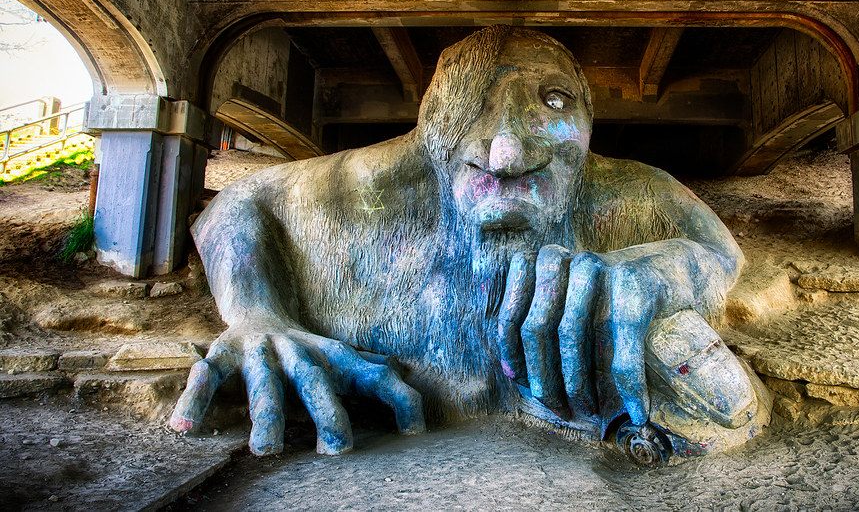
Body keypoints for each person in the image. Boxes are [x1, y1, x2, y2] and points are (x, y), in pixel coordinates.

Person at [170, 26, 767, 461]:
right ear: (429, 129)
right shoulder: (383, 182)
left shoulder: (624, 191)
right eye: (470, 105)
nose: (506, 153)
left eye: (553, 101)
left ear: (590, 124)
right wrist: (256, 313)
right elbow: (235, 205)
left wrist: (664, 267)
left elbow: (721, 251)